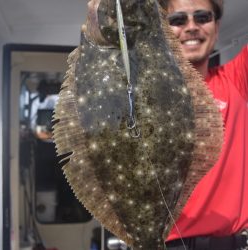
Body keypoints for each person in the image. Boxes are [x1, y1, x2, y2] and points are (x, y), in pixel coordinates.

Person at [83, 0, 248, 249]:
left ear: (216, 25)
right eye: (178, 20)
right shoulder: (135, 92)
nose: (192, 27)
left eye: (202, 17)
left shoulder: (236, 81)